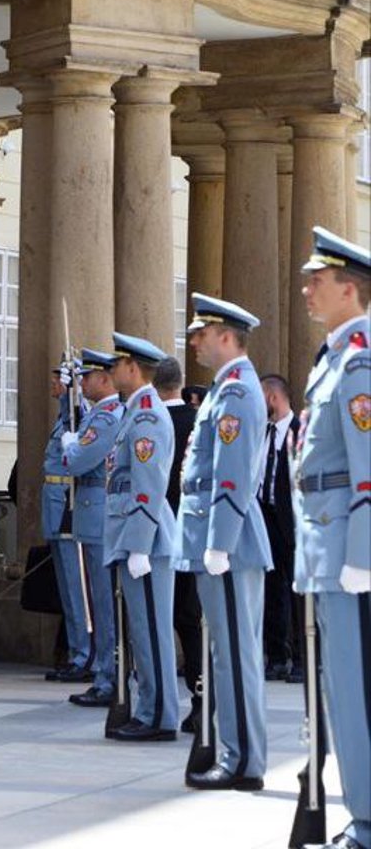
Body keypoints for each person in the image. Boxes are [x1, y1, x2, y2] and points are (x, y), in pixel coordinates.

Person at [294, 227, 371, 849]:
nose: (306, 290)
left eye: (317, 282)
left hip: (348, 546)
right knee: (339, 693)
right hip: (326, 542)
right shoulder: (334, 359)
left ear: (350, 289)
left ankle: (369, 820)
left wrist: (362, 554)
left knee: (356, 692)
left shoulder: (360, 361)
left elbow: (367, 467)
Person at [177, 292, 272, 793]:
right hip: (213, 536)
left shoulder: (236, 392)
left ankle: (245, 762)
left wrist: (218, 542)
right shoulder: (222, 390)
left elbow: (232, 477)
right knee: (226, 652)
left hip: (228, 542)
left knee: (236, 654)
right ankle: (237, 753)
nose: (194, 341)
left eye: (202, 333)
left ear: (226, 337)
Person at [104, 333, 179, 741]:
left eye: (117, 365)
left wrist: (138, 544)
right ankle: (151, 709)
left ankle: (159, 716)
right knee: (143, 630)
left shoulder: (147, 414)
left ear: (133, 368)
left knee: (151, 631)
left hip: (145, 542)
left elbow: (148, 485)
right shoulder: (134, 412)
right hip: (136, 537)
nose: (112, 372)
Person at [60, 348, 125, 710]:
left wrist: (71, 448)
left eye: (87, 377)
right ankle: (106, 671)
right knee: (98, 602)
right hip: (93, 515)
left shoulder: (106, 417)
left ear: (104, 379)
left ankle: (108, 675)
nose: (82, 383)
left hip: (99, 515)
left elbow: (78, 459)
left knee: (102, 602)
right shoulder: (98, 414)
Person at [153, 353, 203, 728]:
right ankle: (200, 700)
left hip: (155, 531)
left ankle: (156, 698)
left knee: (158, 618)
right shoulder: (196, 420)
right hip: (190, 531)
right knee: (190, 619)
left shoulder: (149, 421)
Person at [41, 362, 93, 682]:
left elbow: (78, 415)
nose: (53, 386)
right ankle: (77, 651)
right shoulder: (64, 420)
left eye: (59, 381)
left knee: (78, 590)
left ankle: (83, 655)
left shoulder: (78, 415)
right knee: (67, 586)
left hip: (68, 508)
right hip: (55, 506)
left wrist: (73, 390)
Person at [257, 371, 301, 680]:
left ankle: (301, 658)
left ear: (273, 397)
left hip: (293, 521)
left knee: (298, 592)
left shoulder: (300, 431)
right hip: (265, 517)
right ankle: (276, 656)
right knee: (272, 589)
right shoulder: (262, 432)